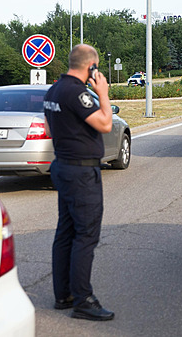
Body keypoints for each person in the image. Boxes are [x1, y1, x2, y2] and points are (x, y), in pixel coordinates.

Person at [43, 44, 115, 321]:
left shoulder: (54, 90)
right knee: (86, 235)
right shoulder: (77, 93)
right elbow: (105, 123)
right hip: (81, 174)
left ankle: (64, 294)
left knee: (66, 232)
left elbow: (49, 128)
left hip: (62, 167)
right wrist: (103, 94)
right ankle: (83, 299)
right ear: (91, 66)